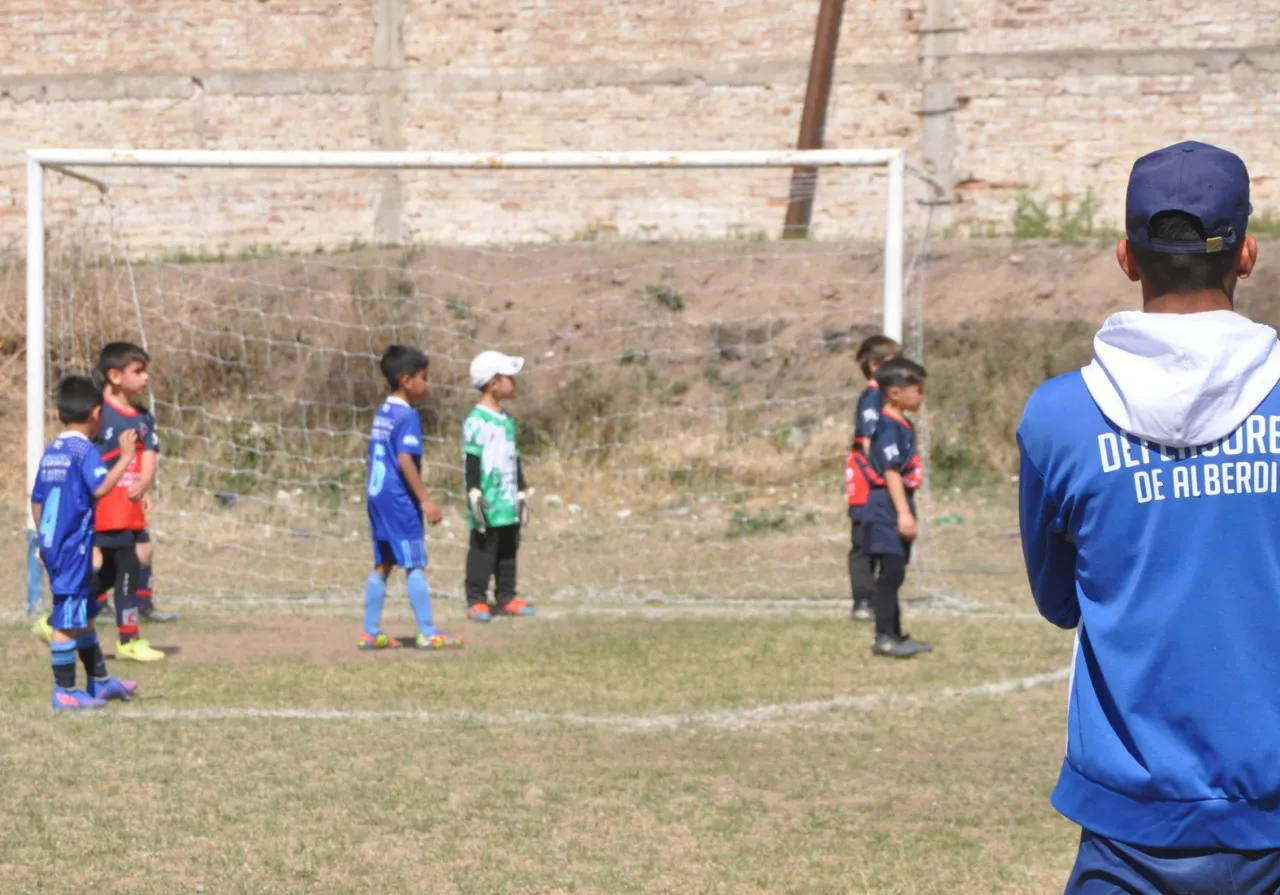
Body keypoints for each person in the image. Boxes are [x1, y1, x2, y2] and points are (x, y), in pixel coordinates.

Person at [1017, 141, 1280, 893]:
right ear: (1249, 253)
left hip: (1130, 832)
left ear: (1127, 258)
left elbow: (1058, 599)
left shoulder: (1060, 415)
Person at [32, 375, 140, 709]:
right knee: (67, 619)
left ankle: (100, 682)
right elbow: (100, 487)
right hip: (72, 549)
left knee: (85, 614)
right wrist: (124, 457)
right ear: (96, 414)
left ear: (57, 415)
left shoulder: (52, 452)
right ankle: (64, 690)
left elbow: (37, 499)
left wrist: (43, 540)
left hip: (55, 546)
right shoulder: (84, 451)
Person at [360, 345, 461, 651]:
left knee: (385, 561)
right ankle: (428, 632)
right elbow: (405, 459)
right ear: (407, 380)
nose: (427, 384)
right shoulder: (408, 417)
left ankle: (370, 631)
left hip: (376, 496)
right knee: (415, 563)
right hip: (398, 499)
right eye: (424, 377)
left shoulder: (383, 412)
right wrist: (425, 500)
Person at [861, 357, 931, 658]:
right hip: (886, 506)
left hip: (898, 503)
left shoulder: (903, 424)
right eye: (917, 390)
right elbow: (891, 472)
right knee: (890, 574)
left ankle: (896, 634)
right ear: (895, 393)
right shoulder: (887, 428)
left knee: (896, 572)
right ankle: (883, 637)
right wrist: (902, 512)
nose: (921, 396)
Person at [463, 350, 533, 623]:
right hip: (486, 500)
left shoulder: (507, 420)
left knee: (508, 548)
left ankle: (506, 596)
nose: (514, 383)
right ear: (494, 383)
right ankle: (476, 599)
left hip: (507, 500)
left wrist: (521, 491)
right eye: (509, 378)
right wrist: (474, 491)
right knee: (483, 548)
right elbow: (472, 458)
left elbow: (514, 458)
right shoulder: (476, 421)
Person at [847, 334, 901, 620]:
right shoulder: (872, 397)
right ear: (875, 365)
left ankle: (879, 597)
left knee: (882, 536)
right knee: (863, 541)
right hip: (866, 479)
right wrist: (880, 471)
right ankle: (863, 601)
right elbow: (869, 439)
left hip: (878, 479)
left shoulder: (885, 396)